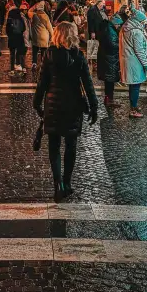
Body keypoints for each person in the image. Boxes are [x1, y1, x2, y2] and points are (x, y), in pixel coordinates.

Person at [34, 21, 98, 202]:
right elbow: (88, 84)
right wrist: (94, 106)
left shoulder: (49, 55)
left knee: (54, 147)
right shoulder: (79, 56)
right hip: (73, 106)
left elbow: (42, 83)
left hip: (53, 105)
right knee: (71, 146)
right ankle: (67, 183)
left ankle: (58, 185)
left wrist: (37, 103)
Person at [119, 8, 147, 118]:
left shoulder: (125, 28)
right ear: (138, 21)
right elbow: (139, 51)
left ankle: (134, 106)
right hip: (134, 62)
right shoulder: (136, 32)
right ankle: (133, 109)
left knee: (133, 86)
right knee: (135, 86)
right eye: (142, 21)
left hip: (127, 60)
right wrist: (146, 65)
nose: (143, 23)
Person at [96, 2, 122, 108]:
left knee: (108, 81)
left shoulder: (107, 28)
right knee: (110, 81)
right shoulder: (111, 31)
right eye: (118, 24)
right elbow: (112, 45)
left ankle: (108, 99)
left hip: (107, 58)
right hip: (110, 59)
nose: (119, 26)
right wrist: (121, 45)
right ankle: (109, 100)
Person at [6, 0, 29, 74]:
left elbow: (8, 25)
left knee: (12, 54)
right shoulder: (21, 12)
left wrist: (9, 34)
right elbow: (24, 27)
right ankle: (23, 68)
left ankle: (12, 69)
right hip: (19, 36)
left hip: (12, 36)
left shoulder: (10, 12)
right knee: (21, 53)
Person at [30, 0, 52, 68]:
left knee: (35, 51)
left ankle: (34, 63)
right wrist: (52, 35)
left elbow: (29, 12)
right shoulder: (45, 16)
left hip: (36, 36)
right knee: (44, 51)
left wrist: (34, 6)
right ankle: (43, 63)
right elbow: (49, 28)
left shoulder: (34, 15)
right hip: (44, 37)